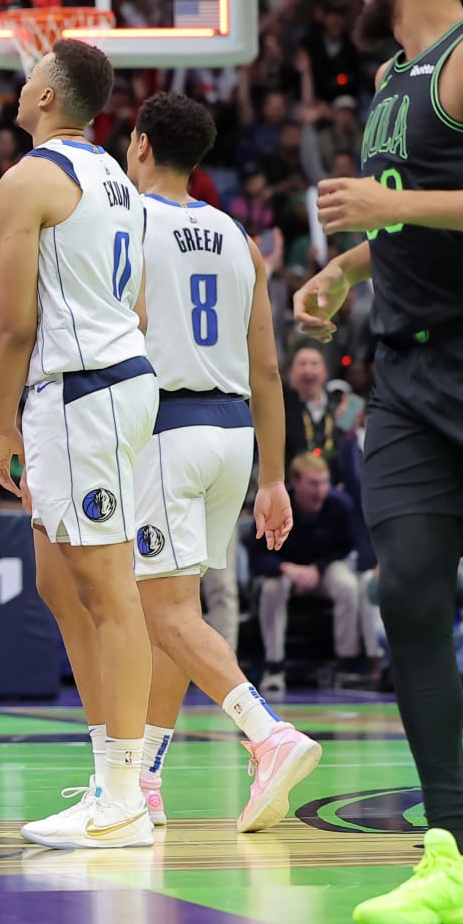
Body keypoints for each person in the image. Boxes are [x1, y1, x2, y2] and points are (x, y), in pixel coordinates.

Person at [297, 0, 463, 924]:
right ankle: (456, 858)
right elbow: (414, 224)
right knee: (409, 598)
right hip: (408, 379)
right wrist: (345, 271)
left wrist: (396, 201)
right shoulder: (393, 77)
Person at [118, 92, 322, 835]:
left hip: (169, 428)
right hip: (235, 432)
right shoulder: (239, 233)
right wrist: (273, 475)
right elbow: (267, 368)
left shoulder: (131, 219)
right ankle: (145, 778)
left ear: (139, 145)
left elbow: (129, 323)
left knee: (163, 611)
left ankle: (268, 734)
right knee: (179, 612)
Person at [0, 38, 157, 850]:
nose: (20, 87)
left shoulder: (27, 180)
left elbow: (15, 322)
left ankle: (128, 794)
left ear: (50, 97)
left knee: (107, 587)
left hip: (83, 388)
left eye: (29, 78)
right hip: (103, 381)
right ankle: (106, 776)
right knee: (61, 581)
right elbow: (140, 302)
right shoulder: (119, 180)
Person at [253, 454, 364, 695]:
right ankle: (274, 667)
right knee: (272, 589)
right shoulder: (276, 503)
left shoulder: (339, 504)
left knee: (347, 585)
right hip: (285, 571)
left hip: (322, 570)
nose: (320, 490)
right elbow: (258, 555)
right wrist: (287, 569)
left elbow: (344, 547)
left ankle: (346, 665)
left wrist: (318, 569)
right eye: (314, 483)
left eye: (324, 482)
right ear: (295, 482)